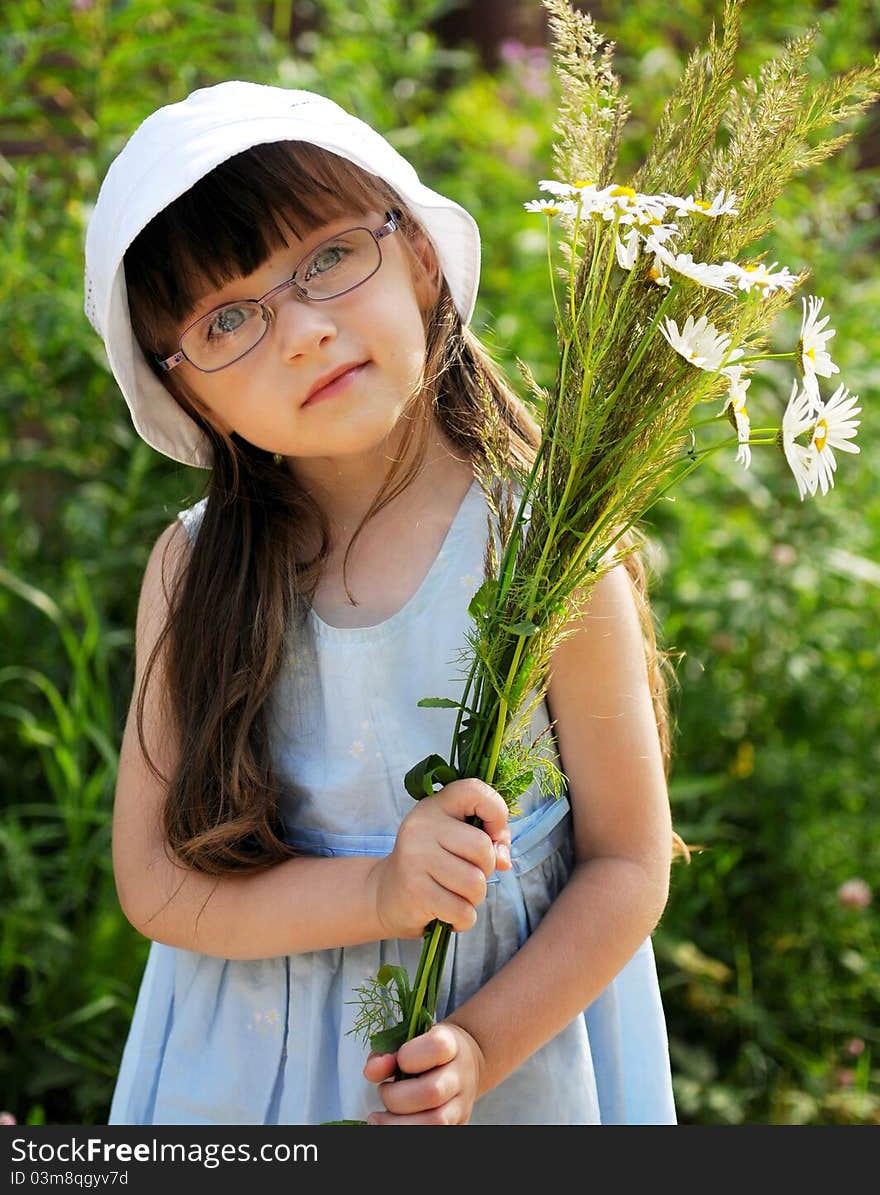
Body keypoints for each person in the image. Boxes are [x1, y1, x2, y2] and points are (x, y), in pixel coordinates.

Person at [84, 80, 679, 1126]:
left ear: (414, 253)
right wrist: (379, 896)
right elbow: (156, 886)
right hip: (249, 1075)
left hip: (500, 1054)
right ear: (186, 395)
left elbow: (627, 861)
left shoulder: (539, 540)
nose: (304, 331)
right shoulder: (195, 570)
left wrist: (481, 1047)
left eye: (325, 258)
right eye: (227, 319)